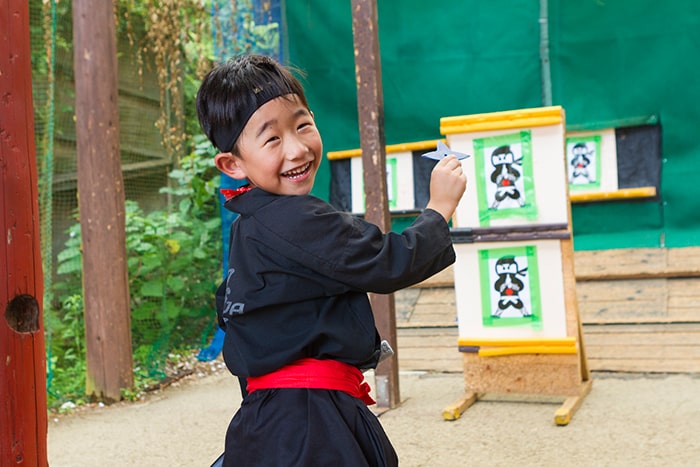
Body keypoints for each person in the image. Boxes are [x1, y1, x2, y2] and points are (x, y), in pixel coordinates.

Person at [196, 54, 466, 467]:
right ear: (232, 164)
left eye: (302, 125)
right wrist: (439, 208)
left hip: (268, 420)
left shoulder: (249, 225)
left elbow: (233, 314)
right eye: (272, 139)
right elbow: (388, 261)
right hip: (313, 422)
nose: (298, 148)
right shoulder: (298, 218)